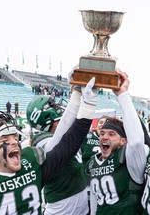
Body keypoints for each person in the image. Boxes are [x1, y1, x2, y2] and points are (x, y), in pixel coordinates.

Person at [0, 78, 97, 214]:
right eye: (4, 138)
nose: (14, 142)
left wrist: (84, 100)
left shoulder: (30, 165)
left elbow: (68, 145)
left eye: (14, 136)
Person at [26, 79, 98, 215]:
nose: (59, 107)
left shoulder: (64, 135)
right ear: (46, 114)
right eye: (54, 105)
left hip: (80, 205)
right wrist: (76, 96)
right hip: (61, 209)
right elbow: (58, 142)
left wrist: (78, 90)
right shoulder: (40, 140)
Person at [86, 70, 148, 214]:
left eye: (111, 134)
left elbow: (137, 142)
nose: (104, 137)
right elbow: (96, 199)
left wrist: (123, 95)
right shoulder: (92, 162)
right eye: (102, 133)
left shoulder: (129, 160)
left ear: (123, 141)